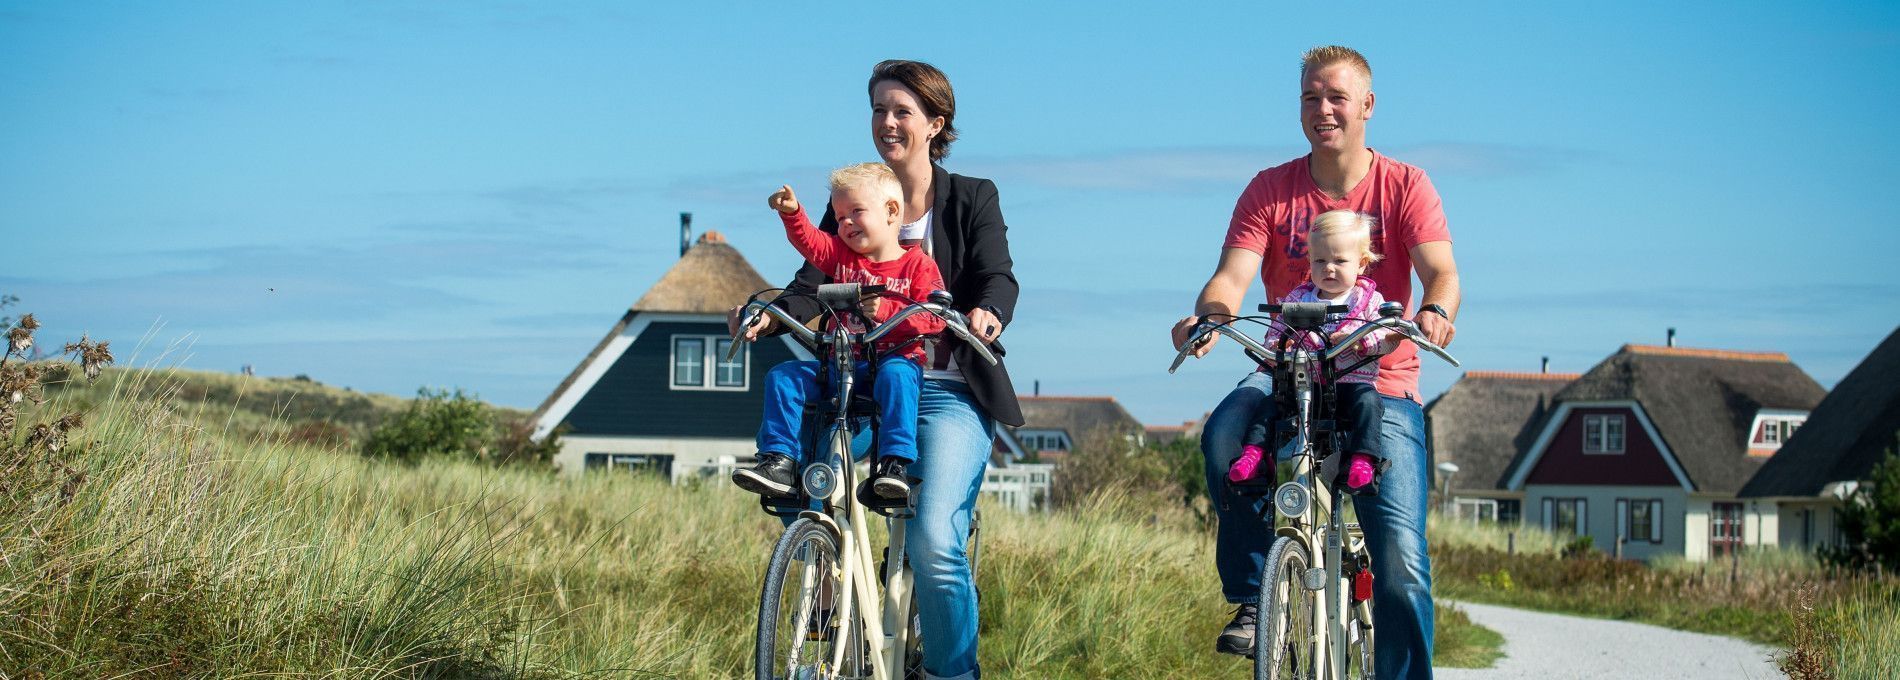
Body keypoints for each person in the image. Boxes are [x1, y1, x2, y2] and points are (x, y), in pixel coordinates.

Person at [1170, 45, 1459, 679]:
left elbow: (1440, 272)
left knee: (1402, 561)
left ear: (1368, 106)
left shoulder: (1406, 185)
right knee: (1223, 437)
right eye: (1310, 97)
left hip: (1376, 375)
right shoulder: (1269, 188)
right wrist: (1209, 318)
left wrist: (1435, 310)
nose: (1322, 109)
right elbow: (1230, 278)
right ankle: (1253, 597)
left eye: (1336, 97)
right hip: (1286, 368)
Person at [731, 60, 1019, 680]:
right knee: (800, 476)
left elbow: (998, 273)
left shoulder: (973, 197)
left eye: (902, 111)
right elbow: (812, 281)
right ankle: (826, 576)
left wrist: (987, 312)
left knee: (935, 544)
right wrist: (772, 315)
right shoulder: (854, 198)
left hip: (943, 391)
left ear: (935, 123)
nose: (887, 122)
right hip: (858, 383)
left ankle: (951, 673)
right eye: (878, 109)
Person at [730, 163, 944, 502]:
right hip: (838, 367)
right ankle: (779, 461)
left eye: (856, 212)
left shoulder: (918, 265)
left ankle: (894, 464)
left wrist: (889, 311)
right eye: (839, 216)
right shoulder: (842, 257)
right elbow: (812, 244)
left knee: (899, 375)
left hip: (887, 365)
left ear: (891, 211)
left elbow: (935, 319)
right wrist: (792, 214)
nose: (845, 223)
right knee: (783, 376)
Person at [1226, 209, 1399, 492]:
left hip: (1349, 385)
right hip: (1304, 384)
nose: (1328, 268)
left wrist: (1359, 339)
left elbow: (1387, 337)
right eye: (1320, 260)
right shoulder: (1299, 298)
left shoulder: (1368, 300)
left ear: (1362, 263)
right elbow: (1277, 330)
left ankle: (1363, 459)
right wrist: (1279, 345)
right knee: (1269, 406)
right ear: (1309, 261)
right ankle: (1254, 455)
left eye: (1340, 261)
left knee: (1368, 404)